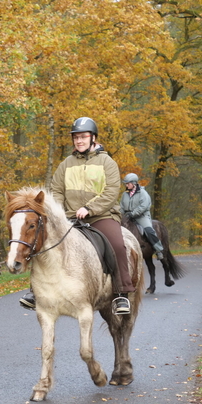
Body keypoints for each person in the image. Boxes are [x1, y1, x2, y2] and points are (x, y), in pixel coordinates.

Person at [19, 117, 135, 314]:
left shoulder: (107, 162)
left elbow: (111, 191)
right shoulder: (66, 164)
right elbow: (56, 191)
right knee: (44, 242)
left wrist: (90, 208)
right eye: (76, 138)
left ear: (93, 138)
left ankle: (121, 293)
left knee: (117, 244)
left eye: (83, 137)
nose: (79, 141)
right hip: (69, 217)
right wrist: (60, 214)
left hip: (101, 216)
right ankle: (35, 292)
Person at [120, 173, 164, 260]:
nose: (126, 185)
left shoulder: (143, 193)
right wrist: (119, 214)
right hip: (128, 216)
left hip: (141, 216)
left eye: (128, 183)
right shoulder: (125, 194)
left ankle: (158, 250)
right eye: (126, 183)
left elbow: (143, 206)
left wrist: (133, 213)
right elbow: (121, 206)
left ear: (134, 183)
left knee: (149, 230)